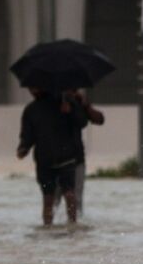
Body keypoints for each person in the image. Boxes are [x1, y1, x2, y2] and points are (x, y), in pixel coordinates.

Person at [16, 88, 97, 226]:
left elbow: (83, 122)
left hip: (67, 158)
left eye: (36, 86)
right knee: (48, 198)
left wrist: (71, 109)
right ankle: (48, 227)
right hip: (44, 161)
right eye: (30, 87)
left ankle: (73, 225)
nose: (32, 90)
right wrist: (23, 148)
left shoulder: (66, 102)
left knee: (70, 195)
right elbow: (27, 135)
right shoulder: (31, 110)